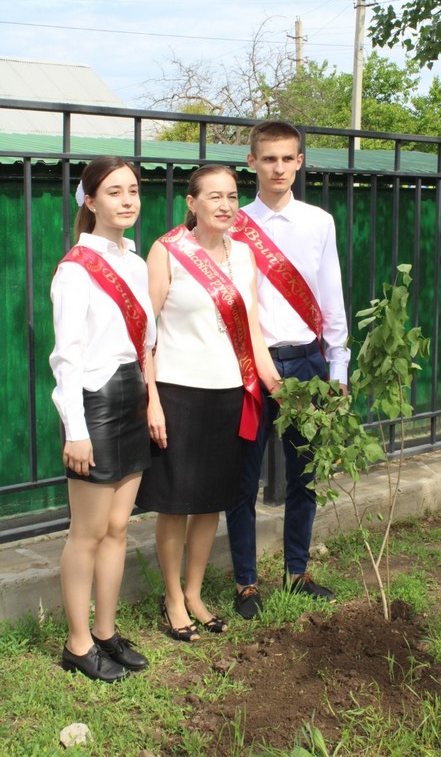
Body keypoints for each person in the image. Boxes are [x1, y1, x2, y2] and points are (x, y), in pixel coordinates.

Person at [135, 164, 282, 641]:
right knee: (176, 503)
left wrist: (275, 382)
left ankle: (195, 593)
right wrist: (152, 400)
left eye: (232, 196)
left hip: (229, 393)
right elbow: (145, 334)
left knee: (210, 503)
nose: (225, 205)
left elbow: (253, 328)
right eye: (214, 196)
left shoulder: (244, 254)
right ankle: (173, 599)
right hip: (178, 392)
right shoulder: (168, 251)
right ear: (191, 203)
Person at [226, 120, 351, 619]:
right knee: (242, 481)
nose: (278, 168)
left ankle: (297, 573)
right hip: (248, 367)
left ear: (299, 162)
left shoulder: (319, 222)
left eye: (287, 158)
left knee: (305, 476)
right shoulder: (233, 224)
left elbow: (331, 295)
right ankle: (245, 584)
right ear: (252, 162)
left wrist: (338, 368)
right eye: (268, 158)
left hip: (306, 362)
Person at [50, 156, 157, 681]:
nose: (127, 200)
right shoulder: (76, 269)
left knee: (117, 528)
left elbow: (147, 345)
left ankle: (106, 632)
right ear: (90, 201)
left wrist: (151, 399)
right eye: (114, 192)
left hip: (132, 395)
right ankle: (77, 644)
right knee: (87, 532)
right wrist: (76, 431)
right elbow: (66, 359)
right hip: (94, 403)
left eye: (132, 189)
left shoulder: (135, 263)